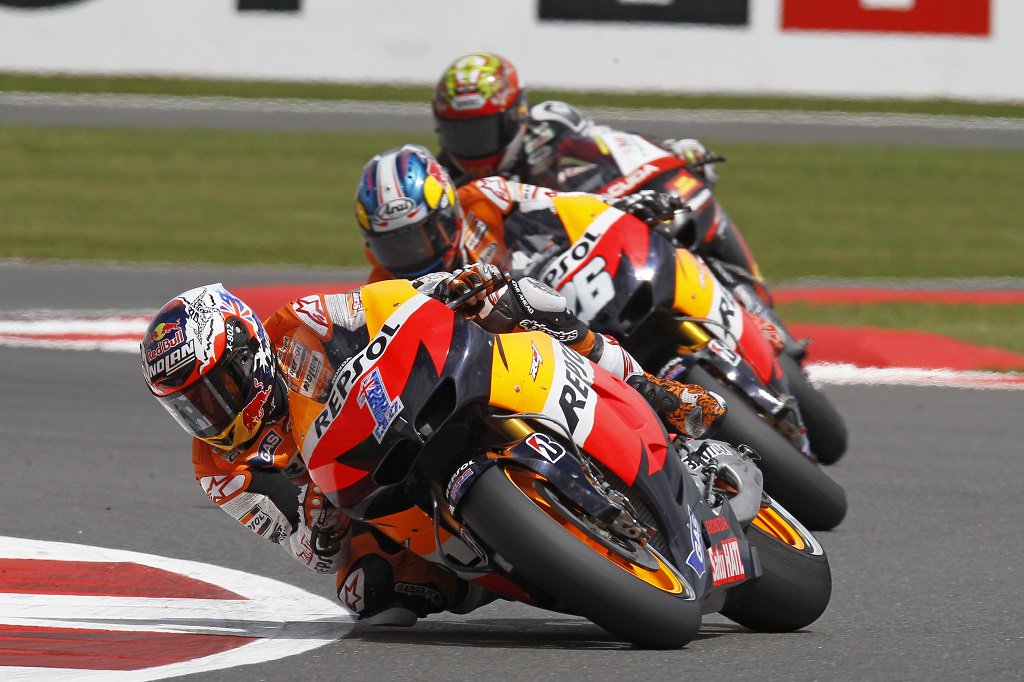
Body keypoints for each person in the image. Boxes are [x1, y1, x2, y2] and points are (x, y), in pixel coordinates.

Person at [141, 276, 725, 627]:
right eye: (188, 406)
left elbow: (387, 301)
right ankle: (505, 567)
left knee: (517, 298)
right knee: (365, 592)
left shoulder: (303, 322)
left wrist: (448, 286)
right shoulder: (221, 471)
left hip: (418, 399)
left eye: (215, 390)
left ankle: (654, 392)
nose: (208, 415)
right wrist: (315, 529)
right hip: (373, 494)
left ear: (249, 351)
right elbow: (308, 553)